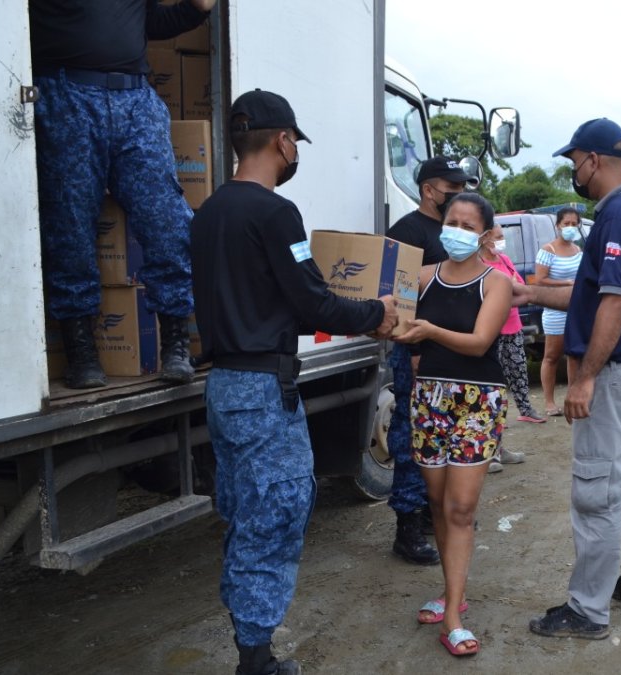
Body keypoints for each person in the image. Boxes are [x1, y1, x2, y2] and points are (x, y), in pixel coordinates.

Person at [190, 89, 397, 675]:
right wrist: (373, 313)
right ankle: (255, 661)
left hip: (226, 387)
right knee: (276, 514)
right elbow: (311, 299)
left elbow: (276, 305)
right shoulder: (276, 213)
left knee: (243, 513)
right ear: (283, 141)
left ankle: (250, 644)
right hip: (262, 393)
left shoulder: (208, 213)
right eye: (294, 144)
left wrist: (334, 313)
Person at [527, 118, 621, 640]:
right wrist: (529, 293)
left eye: (574, 164)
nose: (575, 174)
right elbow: (590, 295)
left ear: (593, 160)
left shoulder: (617, 215)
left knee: (597, 493)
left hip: (617, 376)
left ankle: (587, 610)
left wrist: (585, 377)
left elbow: (615, 301)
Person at [30, 0, 214, 388]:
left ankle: (176, 343)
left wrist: (198, 10)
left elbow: (153, 23)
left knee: (167, 218)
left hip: (135, 98)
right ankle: (80, 351)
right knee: (69, 224)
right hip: (68, 95)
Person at [395, 192, 511, 657]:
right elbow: (393, 325)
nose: (456, 230)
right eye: (451, 221)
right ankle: (451, 592)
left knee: (461, 509)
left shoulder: (495, 282)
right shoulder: (419, 278)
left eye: (467, 224)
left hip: (477, 402)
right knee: (440, 506)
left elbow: (480, 342)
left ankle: (454, 618)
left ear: (484, 234)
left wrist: (429, 332)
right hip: (429, 400)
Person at [385, 155, 479, 565]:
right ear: (430, 190)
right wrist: (417, 351)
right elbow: (400, 297)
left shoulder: (447, 231)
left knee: (440, 437)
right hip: (417, 353)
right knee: (411, 439)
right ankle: (407, 527)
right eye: (451, 188)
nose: (457, 195)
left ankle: (429, 515)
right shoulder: (407, 232)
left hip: (450, 353)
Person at [477, 222, 533, 473]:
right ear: (486, 238)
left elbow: (520, 287)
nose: (502, 241)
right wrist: (506, 287)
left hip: (513, 328)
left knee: (502, 392)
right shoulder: (477, 263)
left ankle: (499, 447)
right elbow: (491, 294)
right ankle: (488, 453)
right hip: (491, 333)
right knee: (489, 392)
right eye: (498, 237)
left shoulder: (504, 259)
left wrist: (506, 287)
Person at [536, 208, 584, 416]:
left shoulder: (578, 250)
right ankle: (549, 402)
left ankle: (572, 398)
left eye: (574, 224)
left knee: (574, 355)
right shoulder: (548, 250)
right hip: (555, 311)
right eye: (566, 224)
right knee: (552, 356)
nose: (570, 228)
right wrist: (565, 282)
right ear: (558, 226)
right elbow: (540, 280)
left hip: (575, 310)